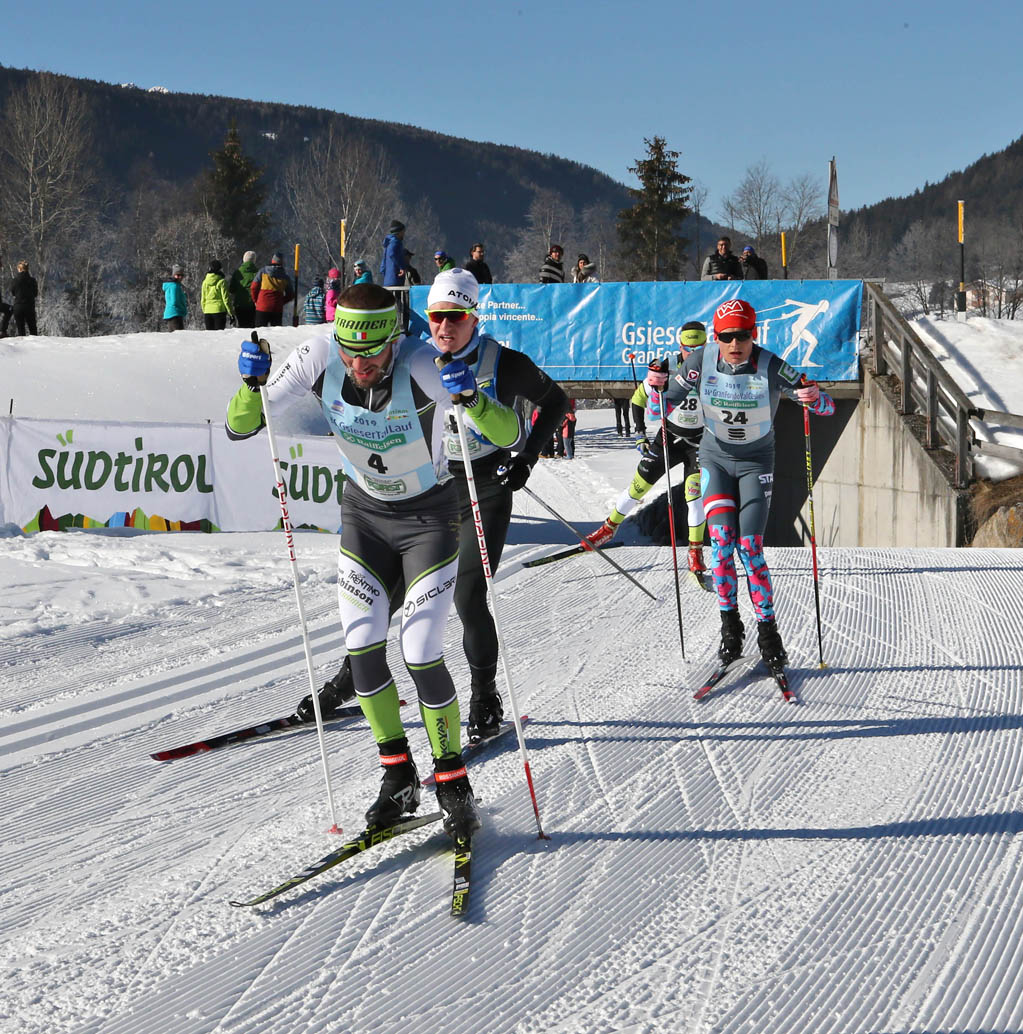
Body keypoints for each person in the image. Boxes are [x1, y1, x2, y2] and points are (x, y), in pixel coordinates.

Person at [227, 282, 522, 837]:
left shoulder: (424, 365)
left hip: (430, 520)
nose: (358, 363)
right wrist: (249, 384)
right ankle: (397, 774)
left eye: (371, 351)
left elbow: (512, 433)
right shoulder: (318, 357)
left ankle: (452, 779)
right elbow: (243, 425)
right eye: (349, 350)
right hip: (364, 518)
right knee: (362, 651)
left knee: (419, 649)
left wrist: (475, 399)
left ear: (395, 337)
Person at [290, 268, 568, 754]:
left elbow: (557, 401)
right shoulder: (412, 355)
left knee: (467, 594)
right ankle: (346, 682)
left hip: (483, 486)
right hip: (422, 490)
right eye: (438, 316)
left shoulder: (503, 363)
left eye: (456, 317)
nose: (445, 327)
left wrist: (525, 458)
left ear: (473, 317)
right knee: (386, 595)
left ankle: (484, 698)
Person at [654, 298, 835, 667]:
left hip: (756, 463)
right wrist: (654, 384)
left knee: (750, 549)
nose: (735, 344)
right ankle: (730, 629)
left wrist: (814, 399)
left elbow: (825, 407)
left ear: (754, 334)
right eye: (726, 336)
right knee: (721, 546)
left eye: (743, 336)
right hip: (715, 460)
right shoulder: (700, 361)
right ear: (716, 337)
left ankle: (768, 634)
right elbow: (660, 401)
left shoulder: (770, 365)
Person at [582, 322, 711, 578]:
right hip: (670, 436)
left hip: (700, 441)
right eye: (688, 348)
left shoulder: (714, 367)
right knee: (638, 487)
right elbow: (638, 399)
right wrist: (640, 433)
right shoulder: (666, 366)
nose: (693, 353)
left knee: (694, 498)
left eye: (699, 348)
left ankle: (695, 551)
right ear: (680, 345)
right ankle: (608, 528)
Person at [251, 254, 295, 327]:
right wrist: (281, 301)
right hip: (277, 309)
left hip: (262, 306)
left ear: (272, 260)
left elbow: (253, 287)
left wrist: (256, 300)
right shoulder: (285, 277)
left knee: (259, 332)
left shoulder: (263, 271)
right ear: (282, 263)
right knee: (276, 333)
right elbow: (290, 295)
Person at [200, 259, 234, 330]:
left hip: (207, 312)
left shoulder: (205, 282)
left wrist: (205, 310)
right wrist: (231, 313)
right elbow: (226, 299)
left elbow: (203, 299)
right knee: (219, 337)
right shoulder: (222, 282)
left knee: (210, 337)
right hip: (219, 311)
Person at [8, 260, 39, 336]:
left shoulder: (14, 280)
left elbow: (13, 292)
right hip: (29, 306)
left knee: (21, 331)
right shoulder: (32, 280)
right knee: (33, 330)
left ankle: (22, 347)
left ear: (19, 269)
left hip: (18, 307)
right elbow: (35, 294)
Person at [230, 251, 258, 328]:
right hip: (252, 305)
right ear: (254, 260)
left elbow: (231, 289)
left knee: (242, 327)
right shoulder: (258, 273)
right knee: (251, 327)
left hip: (239, 304)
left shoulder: (237, 272)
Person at [379, 220, 408, 288]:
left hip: (388, 281)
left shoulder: (388, 244)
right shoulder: (395, 242)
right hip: (396, 279)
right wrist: (401, 267)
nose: (404, 234)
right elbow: (392, 254)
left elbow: (382, 266)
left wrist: (386, 275)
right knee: (397, 298)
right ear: (399, 232)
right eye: (403, 232)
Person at [161, 264, 187, 332]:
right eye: (178, 275)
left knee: (173, 337)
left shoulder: (170, 285)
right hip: (175, 313)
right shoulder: (174, 286)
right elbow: (174, 301)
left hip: (170, 313)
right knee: (179, 337)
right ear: (173, 275)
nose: (180, 277)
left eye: (181, 275)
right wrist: (182, 308)